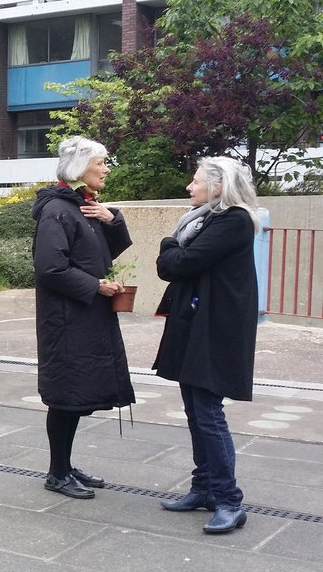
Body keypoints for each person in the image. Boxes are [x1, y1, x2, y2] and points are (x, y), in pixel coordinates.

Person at [153, 157, 260, 534]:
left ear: (218, 187)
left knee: (208, 413)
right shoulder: (208, 219)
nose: (189, 187)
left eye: (195, 181)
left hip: (215, 332)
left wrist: (167, 244)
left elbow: (180, 263)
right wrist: (173, 253)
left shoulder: (233, 220)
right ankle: (204, 489)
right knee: (197, 413)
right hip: (196, 326)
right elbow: (179, 264)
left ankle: (229, 500)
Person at [31, 136, 135, 499]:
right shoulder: (57, 210)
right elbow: (49, 268)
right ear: (80, 168)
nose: (106, 168)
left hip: (85, 315)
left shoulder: (83, 206)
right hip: (66, 319)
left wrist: (113, 219)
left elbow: (105, 250)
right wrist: (96, 286)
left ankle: (65, 465)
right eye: (101, 162)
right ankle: (57, 473)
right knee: (66, 394)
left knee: (76, 393)